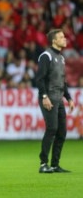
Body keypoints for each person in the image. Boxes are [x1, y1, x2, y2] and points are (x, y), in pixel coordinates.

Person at [36, 29, 75, 173]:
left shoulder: (61, 58)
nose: (64, 39)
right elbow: (39, 78)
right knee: (52, 128)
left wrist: (69, 98)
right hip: (49, 98)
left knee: (62, 131)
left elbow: (62, 81)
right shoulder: (46, 56)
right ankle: (43, 164)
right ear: (54, 40)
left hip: (58, 98)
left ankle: (54, 164)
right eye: (61, 37)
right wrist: (44, 96)